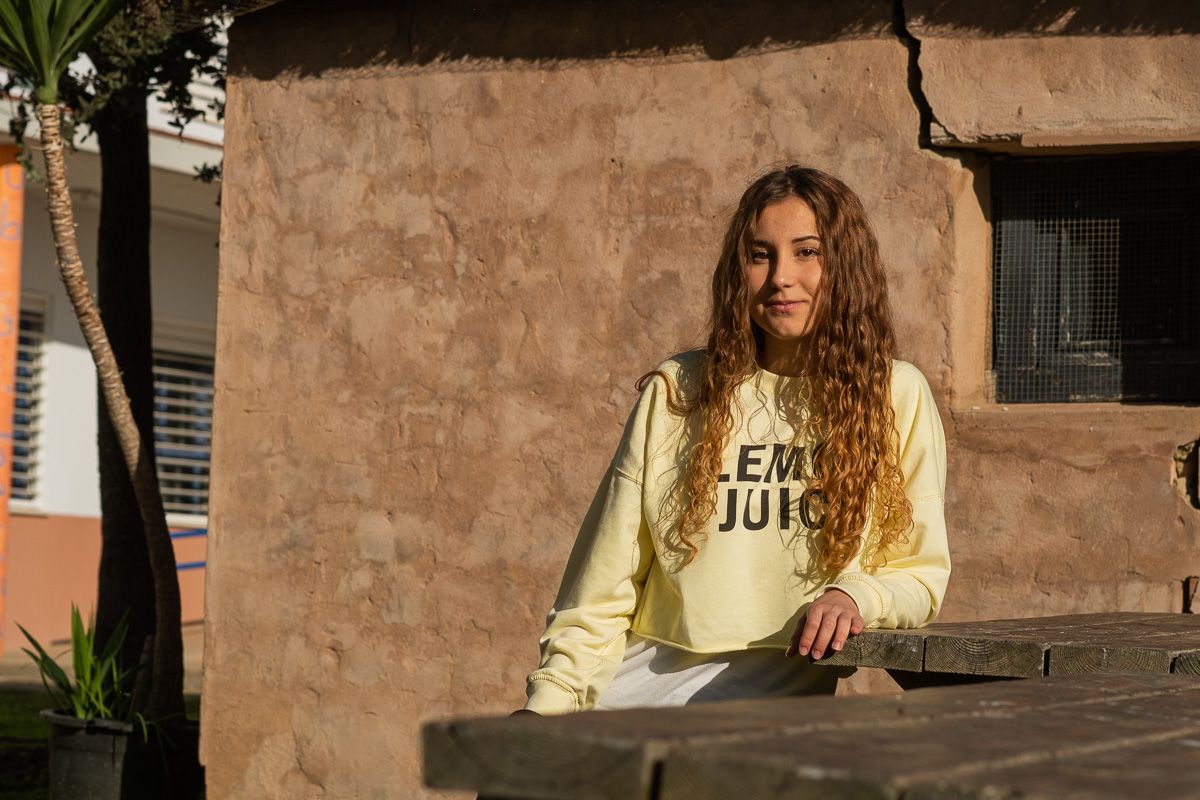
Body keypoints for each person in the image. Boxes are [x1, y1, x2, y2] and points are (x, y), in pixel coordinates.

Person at [521, 165, 950, 715]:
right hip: (629, 689)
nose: (781, 277)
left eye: (807, 252)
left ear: (846, 265)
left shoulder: (892, 394)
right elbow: (600, 585)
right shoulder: (681, 391)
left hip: (765, 702)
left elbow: (921, 574)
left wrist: (857, 595)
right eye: (760, 255)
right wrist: (546, 706)